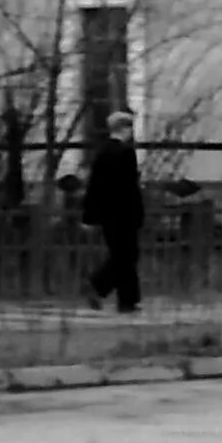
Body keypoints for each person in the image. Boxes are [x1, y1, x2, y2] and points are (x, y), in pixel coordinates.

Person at [82, 110, 146, 313]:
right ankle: (100, 286)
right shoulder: (126, 153)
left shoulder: (102, 153)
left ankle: (127, 300)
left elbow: (94, 187)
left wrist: (89, 217)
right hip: (125, 214)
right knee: (126, 256)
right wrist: (139, 213)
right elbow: (130, 189)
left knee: (122, 255)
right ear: (124, 129)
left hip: (108, 215)